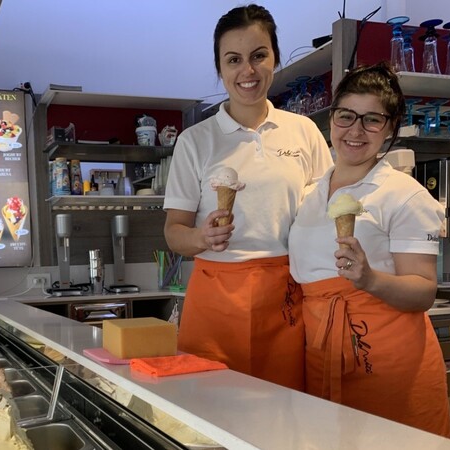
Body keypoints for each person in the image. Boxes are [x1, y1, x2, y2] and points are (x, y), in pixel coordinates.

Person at [163, 4, 333, 390]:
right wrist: (201, 238)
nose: (248, 71)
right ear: (220, 69)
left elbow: (323, 215)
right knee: (214, 415)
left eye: (259, 56)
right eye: (234, 60)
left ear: (274, 56)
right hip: (215, 299)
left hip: (287, 297)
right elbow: (174, 232)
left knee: (284, 415)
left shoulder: (303, 132)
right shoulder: (196, 141)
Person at [287, 62, 450, 438]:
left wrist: (369, 278)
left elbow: (424, 290)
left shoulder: (405, 195)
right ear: (332, 119)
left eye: (372, 120)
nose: (355, 131)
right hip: (320, 349)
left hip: (387, 359)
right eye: (346, 116)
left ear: (390, 128)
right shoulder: (310, 192)